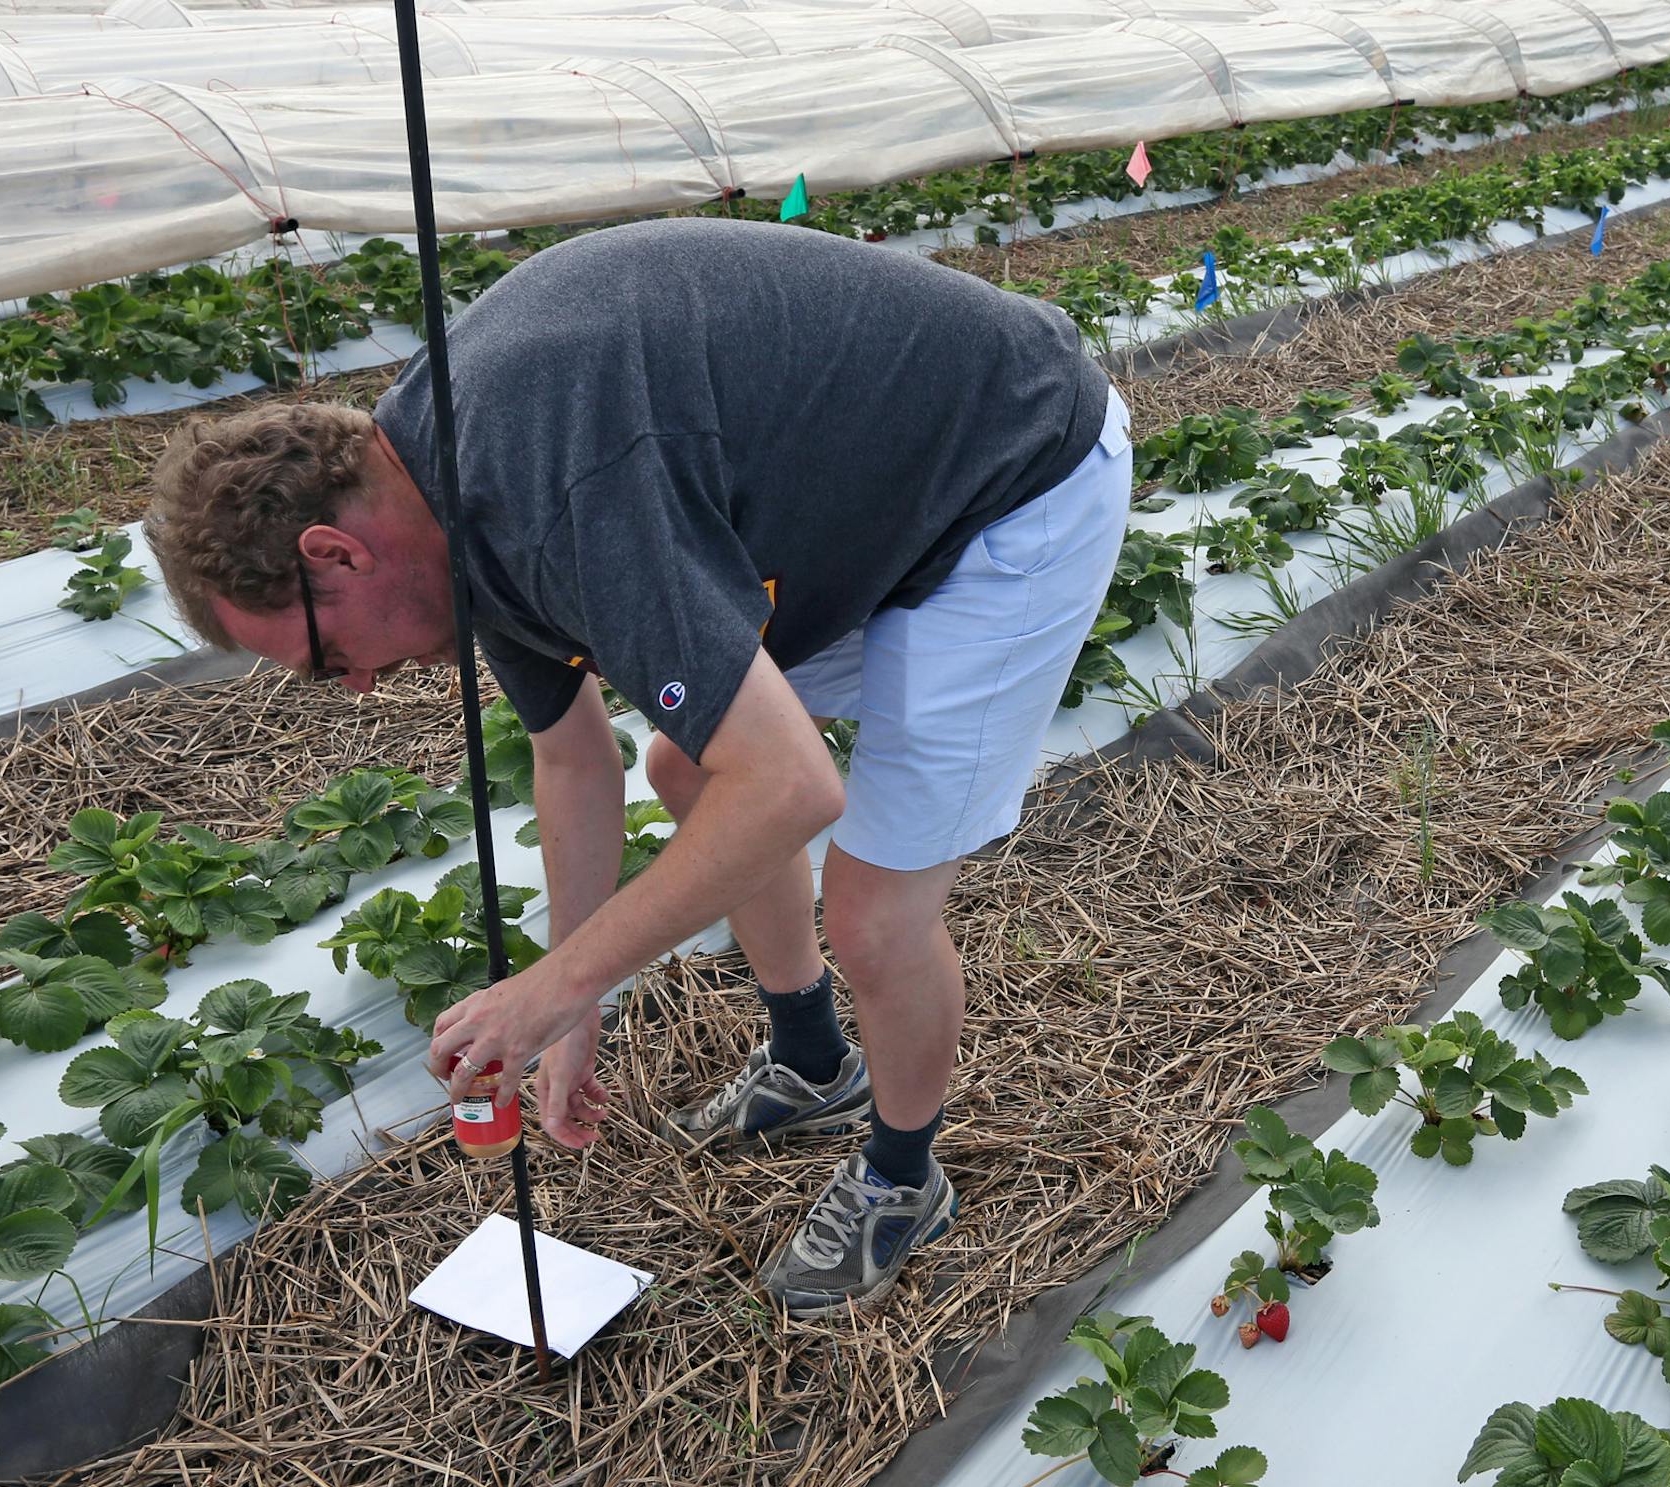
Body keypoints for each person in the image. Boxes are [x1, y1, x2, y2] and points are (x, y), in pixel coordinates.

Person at [145, 217, 1131, 1316]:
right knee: (686, 768)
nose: (363, 685)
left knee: (874, 911)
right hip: (879, 498)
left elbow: (793, 785)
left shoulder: (554, 486)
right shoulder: (447, 489)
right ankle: (811, 1062)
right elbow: (571, 758)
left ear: (335, 554)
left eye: (327, 662)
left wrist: (556, 984)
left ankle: (904, 1177)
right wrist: (573, 1012)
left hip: (1012, 480)